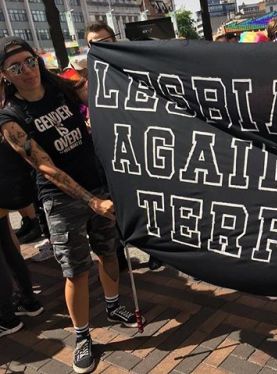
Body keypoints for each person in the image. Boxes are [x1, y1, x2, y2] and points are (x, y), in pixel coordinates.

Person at [0, 36, 143, 373]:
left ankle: (112, 305)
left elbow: (94, 89)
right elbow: (46, 167)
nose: (27, 70)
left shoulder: (61, 88)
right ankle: (82, 336)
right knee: (76, 270)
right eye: (15, 66)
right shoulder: (11, 118)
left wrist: (112, 55)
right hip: (61, 199)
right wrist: (92, 201)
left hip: (98, 185)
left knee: (108, 251)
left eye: (30, 60)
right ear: (5, 74)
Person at [85, 22, 163, 271]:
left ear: (114, 40)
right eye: (93, 44)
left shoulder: (134, 68)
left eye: (104, 42)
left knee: (148, 204)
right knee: (115, 206)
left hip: (140, 148)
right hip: (110, 154)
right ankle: (117, 253)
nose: (99, 48)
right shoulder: (90, 77)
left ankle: (157, 251)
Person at [0, 129, 44, 337]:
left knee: (6, 249)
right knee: (8, 245)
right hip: (6, 189)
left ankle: (6, 317)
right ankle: (28, 300)